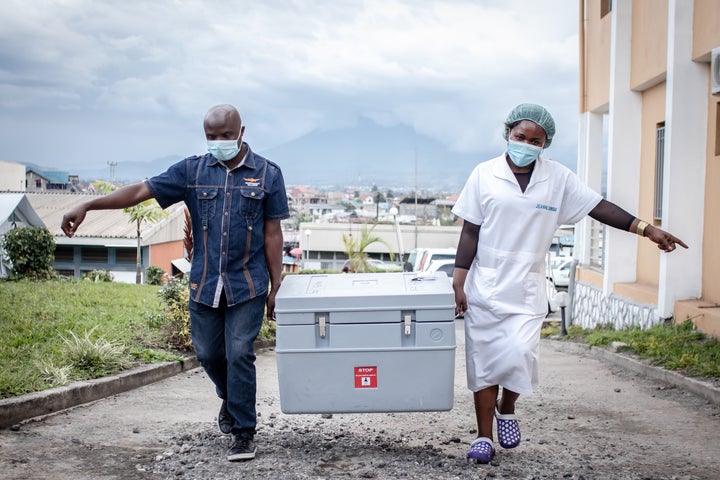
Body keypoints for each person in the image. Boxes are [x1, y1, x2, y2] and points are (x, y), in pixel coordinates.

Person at [451, 103, 687, 464]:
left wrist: (647, 229)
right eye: (520, 136)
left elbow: (599, 206)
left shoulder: (558, 179)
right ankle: (484, 437)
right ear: (507, 134)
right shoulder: (484, 174)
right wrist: (459, 281)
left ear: (545, 143)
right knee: (482, 362)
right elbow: (470, 231)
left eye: (536, 140)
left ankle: (507, 407)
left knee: (520, 355)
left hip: (527, 286)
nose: (526, 144)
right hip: (486, 284)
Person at [61, 104, 290, 462]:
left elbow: (273, 233)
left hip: (248, 283)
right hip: (204, 283)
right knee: (210, 354)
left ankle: (244, 432)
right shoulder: (191, 171)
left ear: (242, 132)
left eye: (226, 135)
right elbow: (140, 191)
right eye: (212, 136)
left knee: (240, 354)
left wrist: (276, 287)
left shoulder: (267, 174)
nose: (219, 142)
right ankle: (230, 401)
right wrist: (88, 205)